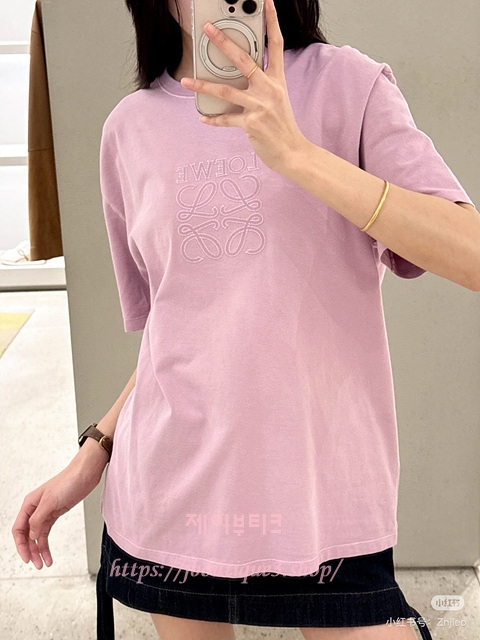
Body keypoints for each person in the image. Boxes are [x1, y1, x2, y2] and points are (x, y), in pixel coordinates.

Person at [12, 0, 479, 638]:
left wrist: (297, 155)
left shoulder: (349, 85)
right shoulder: (128, 128)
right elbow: (180, 332)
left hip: (323, 501)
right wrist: (96, 449)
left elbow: (469, 253)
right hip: (174, 498)